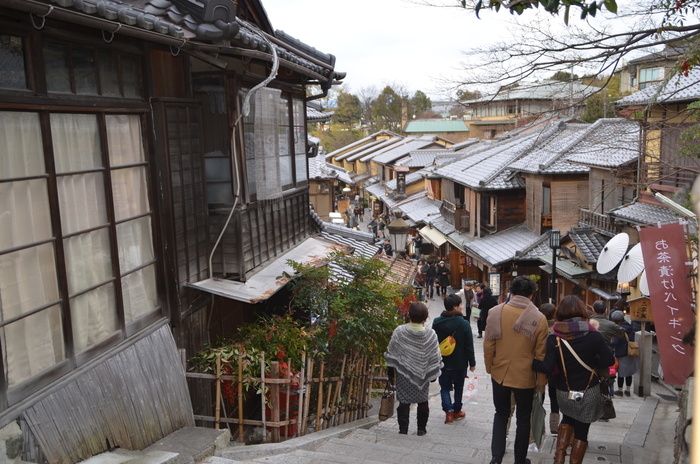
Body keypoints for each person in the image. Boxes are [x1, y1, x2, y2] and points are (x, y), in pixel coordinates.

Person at [533, 295, 615, 464]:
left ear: (560, 313)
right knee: (582, 429)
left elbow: (547, 367)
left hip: (564, 390)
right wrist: (593, 363)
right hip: (589, 390)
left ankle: (559, 459)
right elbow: (609, 361)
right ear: (581, 312)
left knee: (568, 418)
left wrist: (530, 361)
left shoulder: (554, 338)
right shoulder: (594, 336)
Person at [484, 275, 549, 464]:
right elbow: (541, 355)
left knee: (501, 413)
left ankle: (496, 457)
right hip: (525, 376)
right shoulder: (539, 319)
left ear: (510, 292)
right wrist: (541, 383)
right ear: (531, 295)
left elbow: (489, 346)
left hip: (500, 374)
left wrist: (490, 367)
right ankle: (520, 459)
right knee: (523, 417)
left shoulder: (495, 312)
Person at [385, 302, 443, 436]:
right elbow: (435, 356)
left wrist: (390, 373)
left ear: (409, 315)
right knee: (423, 400)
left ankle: (403, 430)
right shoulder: (431, 334)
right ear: (426, 317)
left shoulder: (400, 331)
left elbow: (391, 353)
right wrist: (433, 375)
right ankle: (421, 429)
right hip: (423, 375)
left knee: (404, 401)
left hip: (404, 373)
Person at [432, 294, 477, 424]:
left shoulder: (436, 322)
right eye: (461, 304)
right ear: (455, 307)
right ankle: (457, 411)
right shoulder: (464, 324)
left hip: (443, 361)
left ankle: (448, 413)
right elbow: (469, 345)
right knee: (459, 387)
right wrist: (472, 363)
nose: (462, 306)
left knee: (444, 387)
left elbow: (434, 342)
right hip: (460, 362)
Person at [538, 302, 560, 434]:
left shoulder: (536, 326)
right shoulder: (558, 328)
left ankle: (539, 426)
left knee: (539, 396)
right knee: (554, 397)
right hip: (554, 369)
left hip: (539, 366)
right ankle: (554, 424)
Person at [610, 310, 638, 397]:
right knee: (628, 372)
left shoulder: (619, 329)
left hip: (621, 352)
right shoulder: (629, 327)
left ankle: (620, 390)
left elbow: (615, 342)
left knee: (621, 373)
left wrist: (609, 341)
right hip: (630, 352)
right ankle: (628, 390)